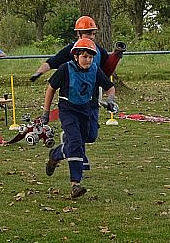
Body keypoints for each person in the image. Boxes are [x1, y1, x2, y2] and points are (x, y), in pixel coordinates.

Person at [41, 39, 117, 199]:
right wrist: (46, 112)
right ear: (76, 56)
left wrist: (110, 100)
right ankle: (75, 184)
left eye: (90, 57)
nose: (88, 60)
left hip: (85, 109)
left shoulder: (94, 69)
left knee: (90, 136)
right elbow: (51, 89)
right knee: (75, 142)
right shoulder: (65, 69)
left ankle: (56, 154)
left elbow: (110, 87)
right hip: (68, 110)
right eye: (84, 57)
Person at [29, 16, 110, 82]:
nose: (92, 37)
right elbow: (52, 62)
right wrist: (38, 73)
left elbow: (107, 68)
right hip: (73, 90)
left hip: (92, 91)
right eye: (88, 34)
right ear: (79, 33)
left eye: (93, 34)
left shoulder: (99, 51)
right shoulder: (70, 49)